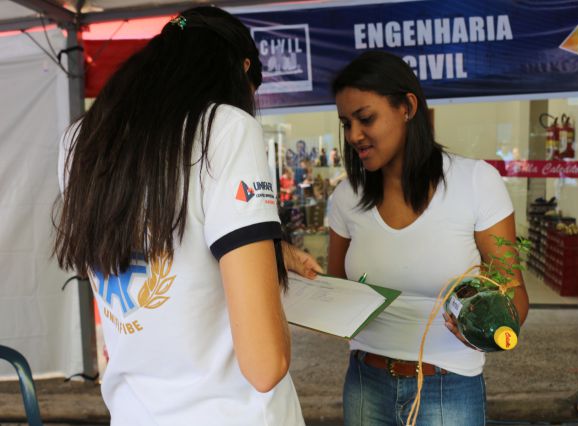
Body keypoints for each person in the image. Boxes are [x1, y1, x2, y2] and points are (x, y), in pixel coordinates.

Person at [53, 7, 321, 425]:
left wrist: (271, 250)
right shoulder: (227, 128)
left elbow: (163, 245)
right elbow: (265, 365)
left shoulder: (81, 141)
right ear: (243, 69)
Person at [327, 51, 529, 425]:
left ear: (407, 107)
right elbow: (335, 289)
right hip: (366, 382)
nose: (353, 135)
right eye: (346, 123)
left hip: (448, 385)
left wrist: (487, 328)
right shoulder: (346, 197)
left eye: (365, 118)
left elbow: (514, 293)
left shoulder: (475, 182)